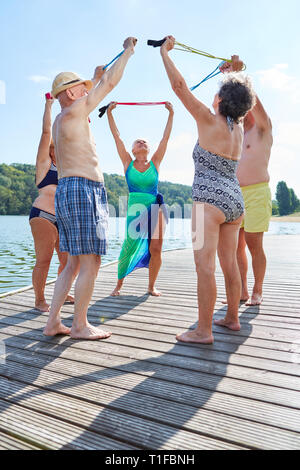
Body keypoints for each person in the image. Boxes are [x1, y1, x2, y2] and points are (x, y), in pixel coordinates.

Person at [160, 36, 255, 344]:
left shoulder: (207, 119)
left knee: (204, 267)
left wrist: (164, 52)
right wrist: (234, 74)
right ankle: (232, 317)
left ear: (219, 101)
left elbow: (179, 88)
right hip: (234, 201)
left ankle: (203, 330)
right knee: (229, 263)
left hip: (208, 203)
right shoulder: (238, 129)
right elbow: (240, 99)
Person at [43, 37, 137, 340]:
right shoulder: (76, 110)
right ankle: (80, 325)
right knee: (91, 261)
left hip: (67, 189)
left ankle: (53, 322)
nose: (87, 91)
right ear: (71, 92)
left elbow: (98, 83)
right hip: (84, 190)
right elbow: (109, 84)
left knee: (72, 262)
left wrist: (93, 79)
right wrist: (127, 52)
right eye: (82, 88)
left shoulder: (62, 118)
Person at [106, 101, 173, 297]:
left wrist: (171, 114)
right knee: (129, 245)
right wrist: (110, 113)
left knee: (156, 248)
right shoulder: (127, 162)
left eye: (144, 141)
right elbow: (116, 137)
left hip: (156, 207)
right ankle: (118, 286)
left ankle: (151, 286)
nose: (141, 142)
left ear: (149, 148)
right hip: (135, 209)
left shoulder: (155, 162)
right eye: (138, 142)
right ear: (133, 149)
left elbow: (165, 139)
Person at [221, 61, 273, 306]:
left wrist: (237, 73)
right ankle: (241, 290)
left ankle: (257, 290)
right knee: (235, 246)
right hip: (235, 193)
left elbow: (252, 98)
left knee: (254, 244)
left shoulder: (263, 128)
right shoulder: (237, 130)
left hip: (257, 193)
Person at [29, 95, 74, 312]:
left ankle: (61, 293)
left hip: (63, 219)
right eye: (56, 146)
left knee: (67, 261)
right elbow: (46, 132)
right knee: (44, 260)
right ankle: (39, 300)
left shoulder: (67, 168)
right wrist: (49, 105)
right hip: (43, 215)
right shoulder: (45, 164)